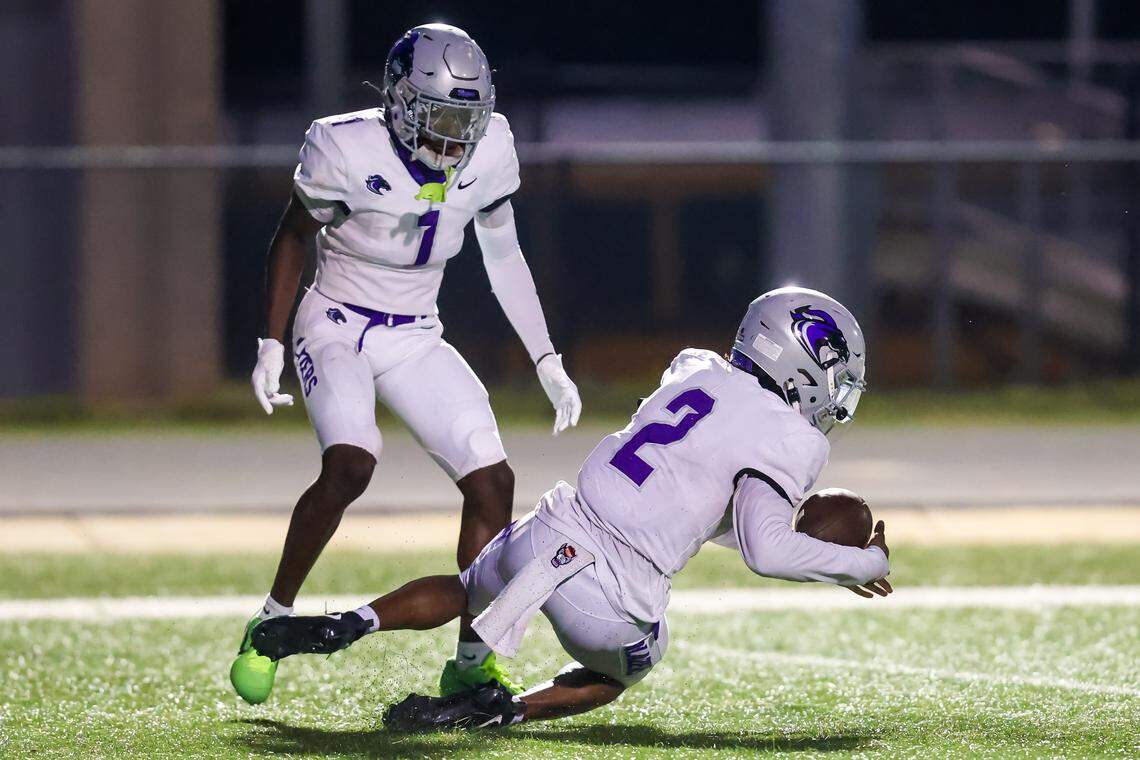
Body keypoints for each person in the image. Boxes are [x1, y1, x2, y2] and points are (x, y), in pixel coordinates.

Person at [249, 286, 892, 729]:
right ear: (803, 362)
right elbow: (767, 547)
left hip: (553, 527)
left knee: (470, 586)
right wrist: (860, 563)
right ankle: (505, 710)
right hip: (609, 597)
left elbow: (694, 501)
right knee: (636, 664)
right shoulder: (792, 436)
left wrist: (829, 554)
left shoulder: (697, 372)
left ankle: (350, 623)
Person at [230, 23, 582, 705]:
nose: (455, 135)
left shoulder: (492, 148)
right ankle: (270, 618)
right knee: (352, 465)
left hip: (416, 331)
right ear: (399, 99)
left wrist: (545, 356)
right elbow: (292, 235)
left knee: (493, 483)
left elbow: (503, 254)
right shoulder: (342, 145)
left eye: (467, 119)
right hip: (336, 320)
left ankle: (473, 661)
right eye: (442, 115)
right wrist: (271, 341)